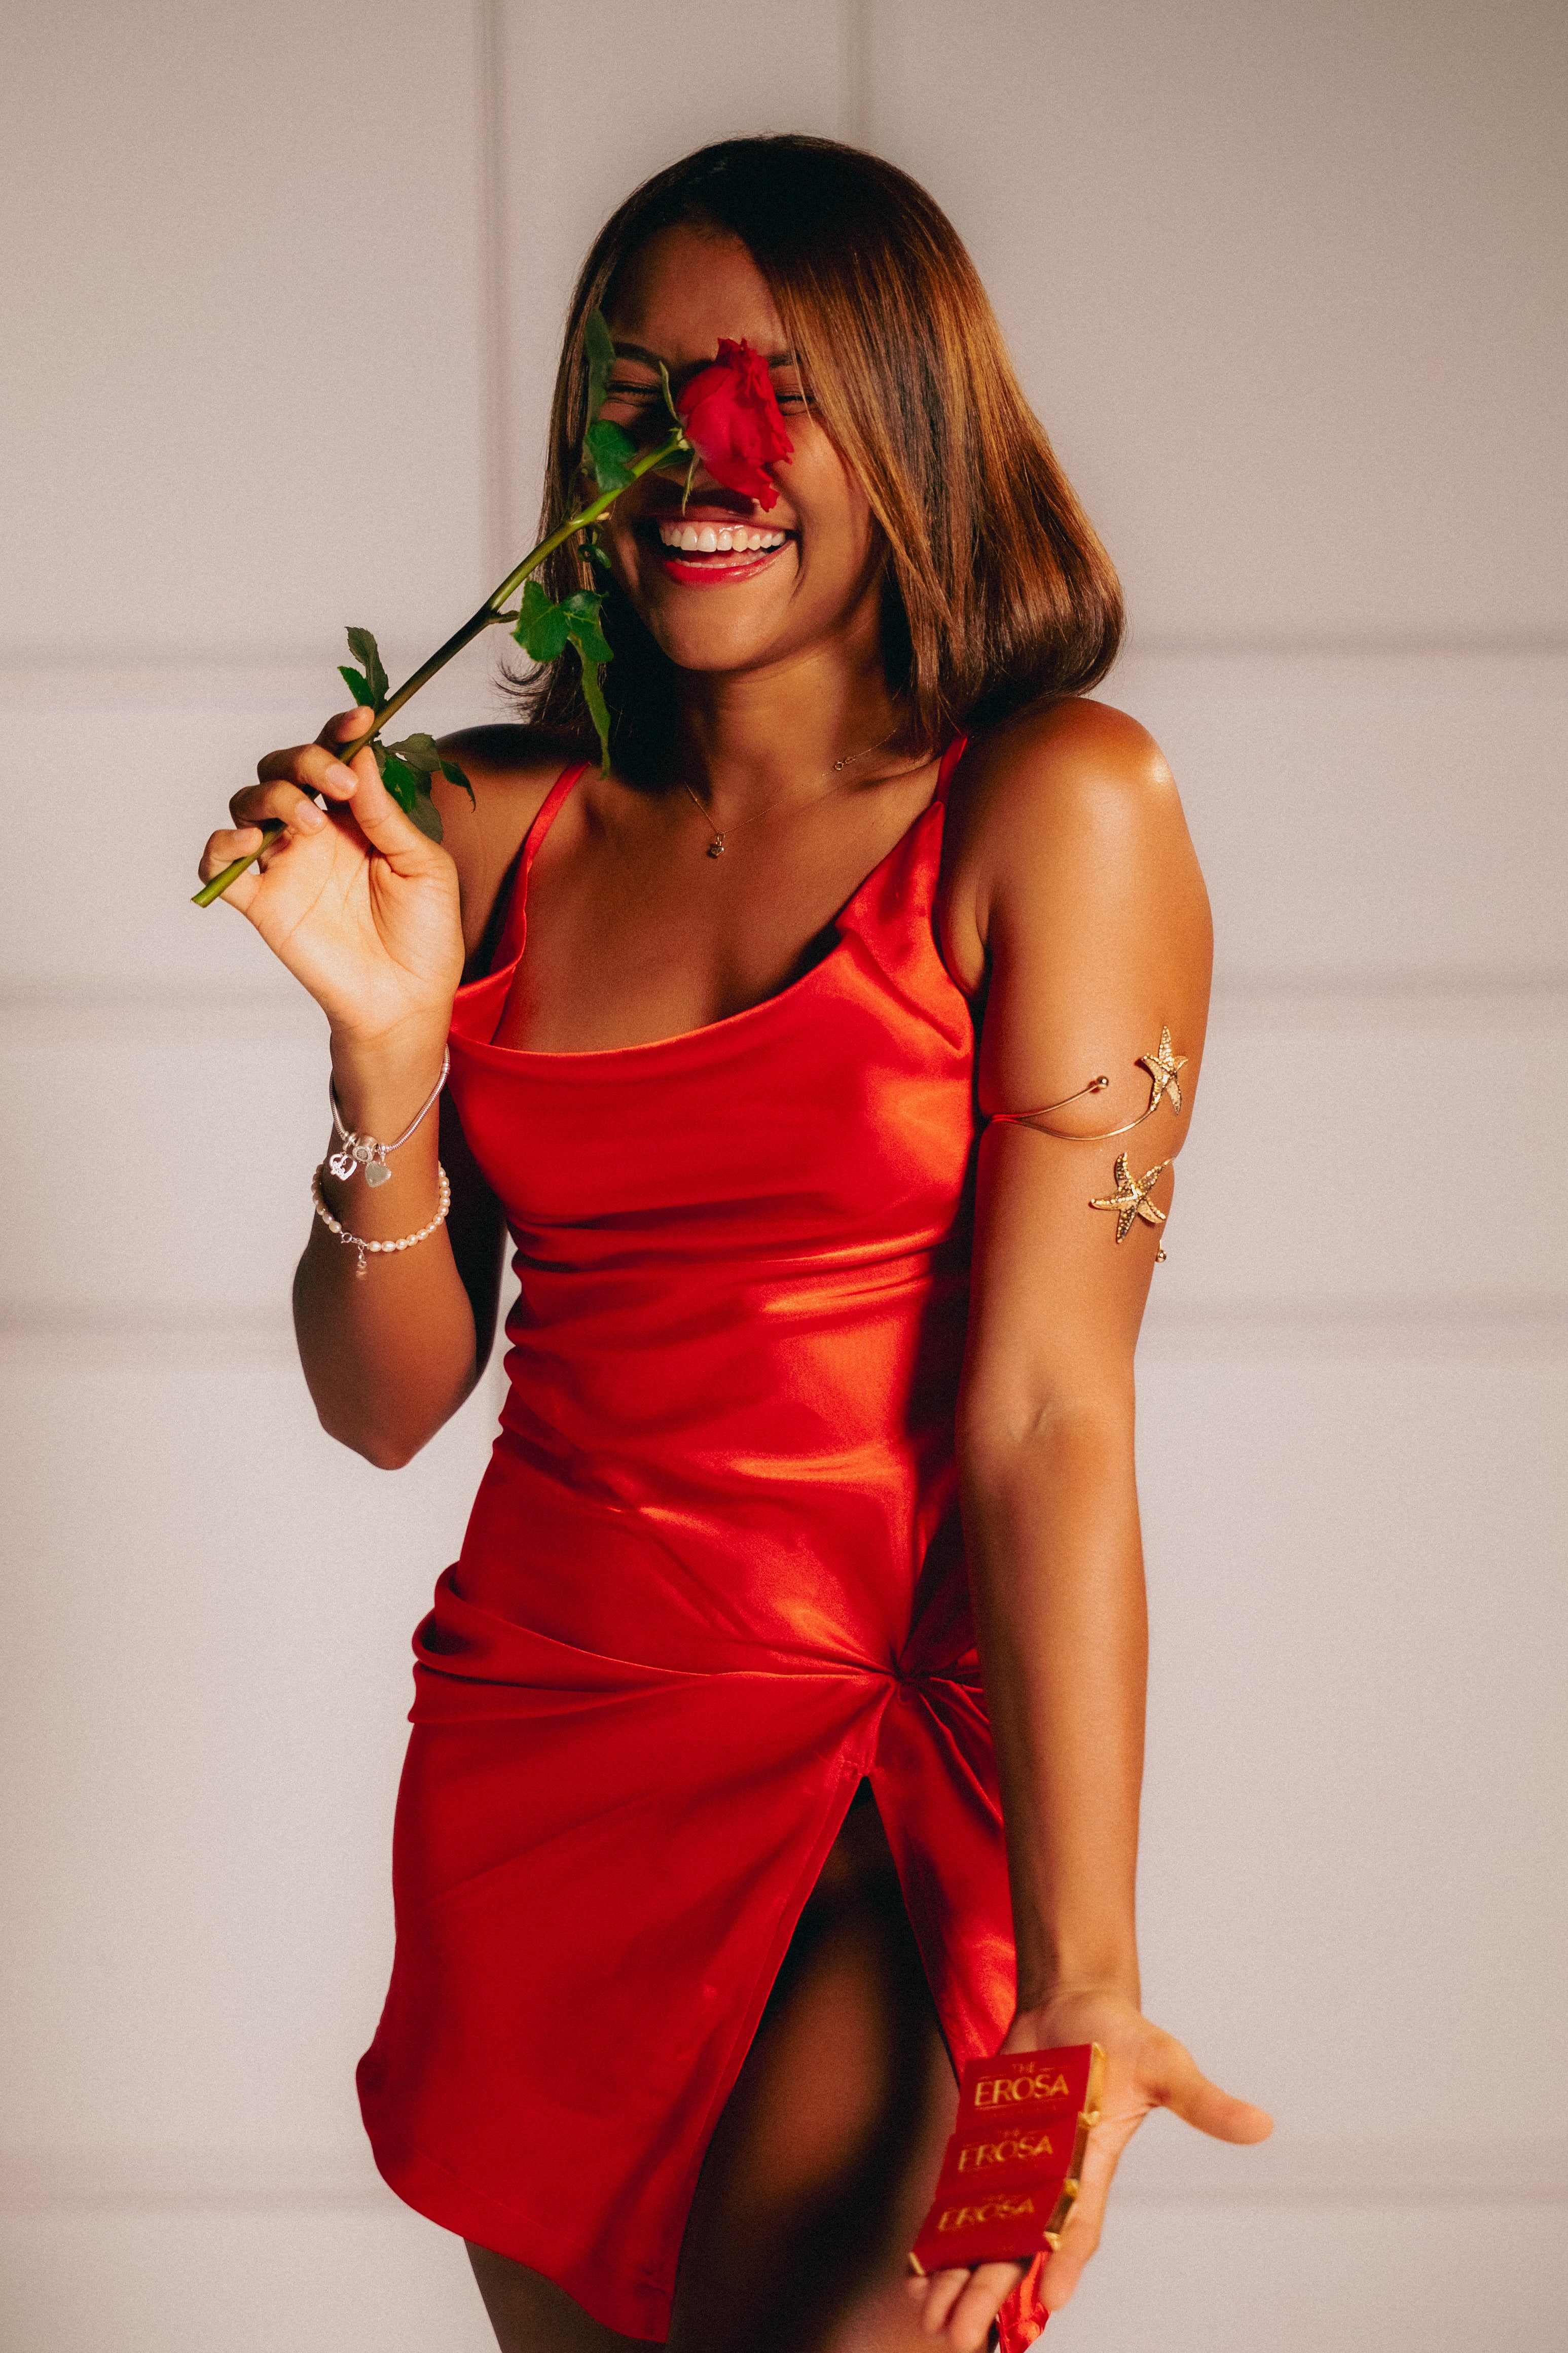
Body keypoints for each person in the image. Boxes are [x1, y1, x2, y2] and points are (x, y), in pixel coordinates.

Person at [197, 135, 1270, 2353]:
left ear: (919, 425)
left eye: (778, 381)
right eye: (641, 384)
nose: (704, 440)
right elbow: (387, 1399)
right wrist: (390, 1052)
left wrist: (1086, 1976)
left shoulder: (1058, 803)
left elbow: (1054, 1405)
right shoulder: (489, 828)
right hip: (547, 1768)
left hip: (885, 1780)